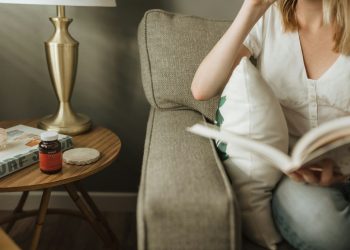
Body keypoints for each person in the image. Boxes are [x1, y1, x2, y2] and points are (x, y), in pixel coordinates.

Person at [191, 0, 350, 249]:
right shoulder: (268, 20)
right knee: (322, 226)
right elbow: (202, 88)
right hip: (299, 179)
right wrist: (251, 8)